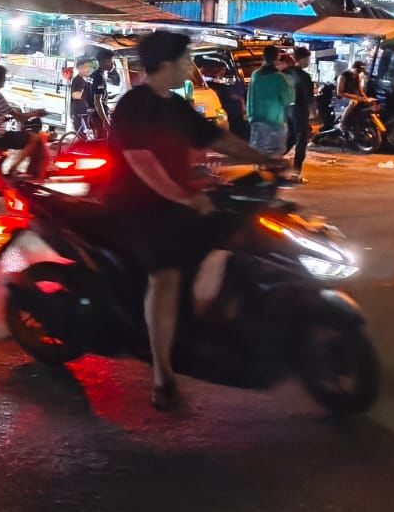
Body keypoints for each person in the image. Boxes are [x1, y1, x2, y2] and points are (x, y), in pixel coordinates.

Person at [107, 30, 282, 410]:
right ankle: (162, 375)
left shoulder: (176, 106)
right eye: (186, 59)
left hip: (176, 200)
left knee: (237, 232)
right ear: (167, 65)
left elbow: (217, 139)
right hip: (135, 207)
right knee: (166, 275)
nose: (191, 65)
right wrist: (188, 197)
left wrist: (263, 158)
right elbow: (145, 167)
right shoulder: (133, 107)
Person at [0, 64, 47, 184]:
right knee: (33, 138)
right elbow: (17, 116)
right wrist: (35, 113)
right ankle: (13, 170)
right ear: (2, 79)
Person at [245, 44, 294, 158]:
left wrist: (249, 115)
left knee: (257, 154)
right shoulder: (280, 78)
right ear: (277, 58)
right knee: (274, 156)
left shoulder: (256, 75)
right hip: (274, 122)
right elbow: (288, 99)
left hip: (256, 119)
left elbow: (250, 96)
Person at [283, 46, 315, 180]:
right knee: (301, 141)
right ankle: (296, 173)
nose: (308, 62)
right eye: (308, 59)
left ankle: (269, 162)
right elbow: (309, 97)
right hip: (300, 110)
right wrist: (313, 113)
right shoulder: (305, 76)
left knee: (289, 139)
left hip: (287, 110)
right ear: (301, 60)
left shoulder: (285, 72)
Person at [337, 60, 372, 135]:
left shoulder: (357, 77)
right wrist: (356, 97)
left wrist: (366, 99)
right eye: (358, 71)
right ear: (353, 68)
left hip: (354, 97)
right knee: (354, 102)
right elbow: (339, 92)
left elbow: (360, 91)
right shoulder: (343, 76)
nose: (359, 73)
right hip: (343, 97)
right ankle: (342, 123)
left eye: (361, 72)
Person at [69, 57, 100, 137]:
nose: (89, 69)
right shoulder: (77, 80)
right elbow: (74, 95)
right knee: (85, 136)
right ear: (79, 68)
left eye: (90, 67)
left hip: (88, 111)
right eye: (86, 67)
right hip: (80, 112)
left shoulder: (88, 79)